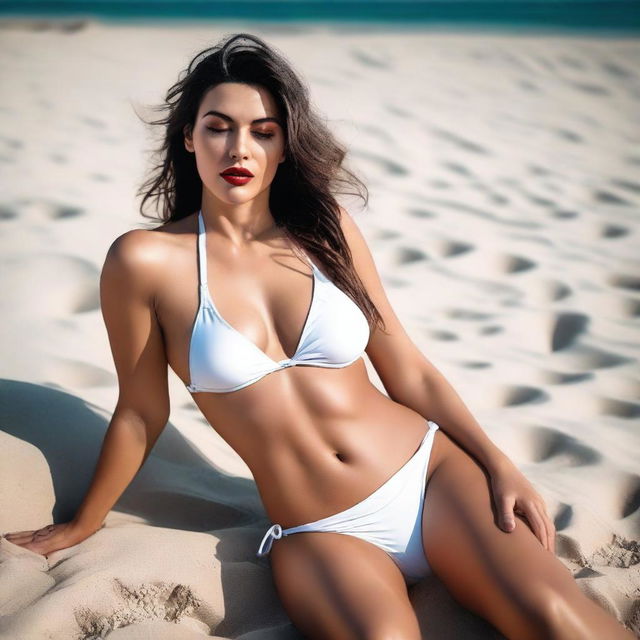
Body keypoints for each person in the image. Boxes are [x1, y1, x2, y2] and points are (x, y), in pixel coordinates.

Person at [3, 33, 633, 640]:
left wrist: (498, 464)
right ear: (188, 138)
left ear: (283, 146)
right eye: (217, 126)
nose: (238, 149)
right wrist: (83, 522)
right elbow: (141, 411)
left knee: (553, 613)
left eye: (263, 132)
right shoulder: (144, 261)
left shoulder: (323, 228)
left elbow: (406, 369)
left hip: (430, 476)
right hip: (320, 530)